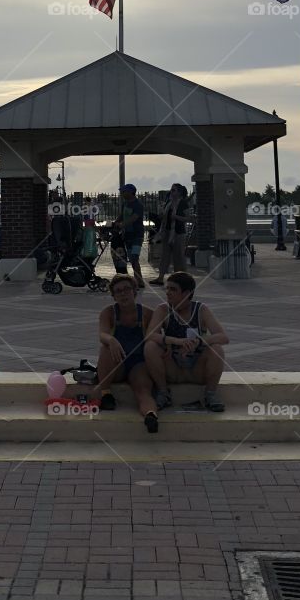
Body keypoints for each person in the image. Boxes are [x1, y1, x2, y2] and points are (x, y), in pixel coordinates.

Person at [145, 271, 229, 413]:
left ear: (186, 293)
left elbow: (223, 337)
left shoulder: (200, 309)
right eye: (167, 288)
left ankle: (210, 394)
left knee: (217, 349)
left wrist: (199, 342)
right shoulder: (163, 309)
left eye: (173, 289)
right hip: (173, 367)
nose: (168, 293)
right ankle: (163, 393)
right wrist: (175, 341)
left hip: (196, 367)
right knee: (150, 347)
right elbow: (150, 335)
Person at [92, 274, 165, 433]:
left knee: (143, 390)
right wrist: (111, 340)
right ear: (113, 296)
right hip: (116, 364)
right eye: (118, 291)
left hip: (138, 364)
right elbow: (102, 334)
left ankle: (150, 415)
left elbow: (158, 336)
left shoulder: (147, 314)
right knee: (105, 347)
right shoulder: (109, 313)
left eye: (126, 289)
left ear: (135, 291)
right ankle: (106, 394)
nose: (123, 294)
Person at [150, 183, 188, 284]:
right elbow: (165, 217)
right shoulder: (169, 203)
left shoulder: (183, 203)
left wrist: (176, 217)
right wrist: (162, 215)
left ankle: (179, 279)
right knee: (164, 256)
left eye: (174, 190)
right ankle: (160, 278)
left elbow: (188, 218)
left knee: (178, 257)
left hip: (178, 233)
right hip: (167, 232)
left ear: (179, 192)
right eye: (171, 190)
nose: (171, 192)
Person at [117, 183, 146, 289]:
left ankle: (139, 281)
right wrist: (116, 223)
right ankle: (138, 280)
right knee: (131, 258)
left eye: (124, 191)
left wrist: (122, 224)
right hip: (127, 235)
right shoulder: (125, 204)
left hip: (137, 235)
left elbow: (134, 218)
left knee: (134, 257)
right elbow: (121, 216)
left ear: (131, 192)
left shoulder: (138, 205)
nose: (122, 193)